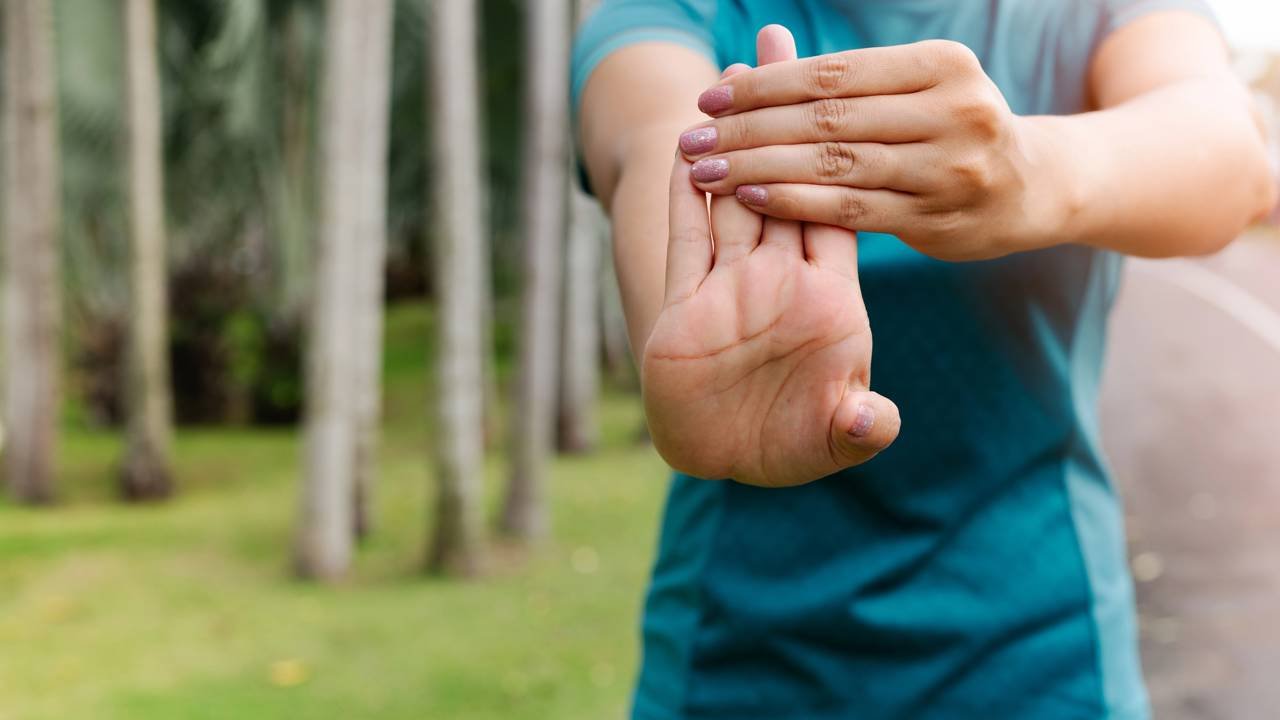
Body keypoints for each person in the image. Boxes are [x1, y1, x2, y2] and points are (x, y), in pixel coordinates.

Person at [572, 2, 1277, 718]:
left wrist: (1026, 171)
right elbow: (652, 136)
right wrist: (692, 305)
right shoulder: (677, 10)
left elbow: (1227, 142)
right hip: (732, 670)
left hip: (1045, 662)